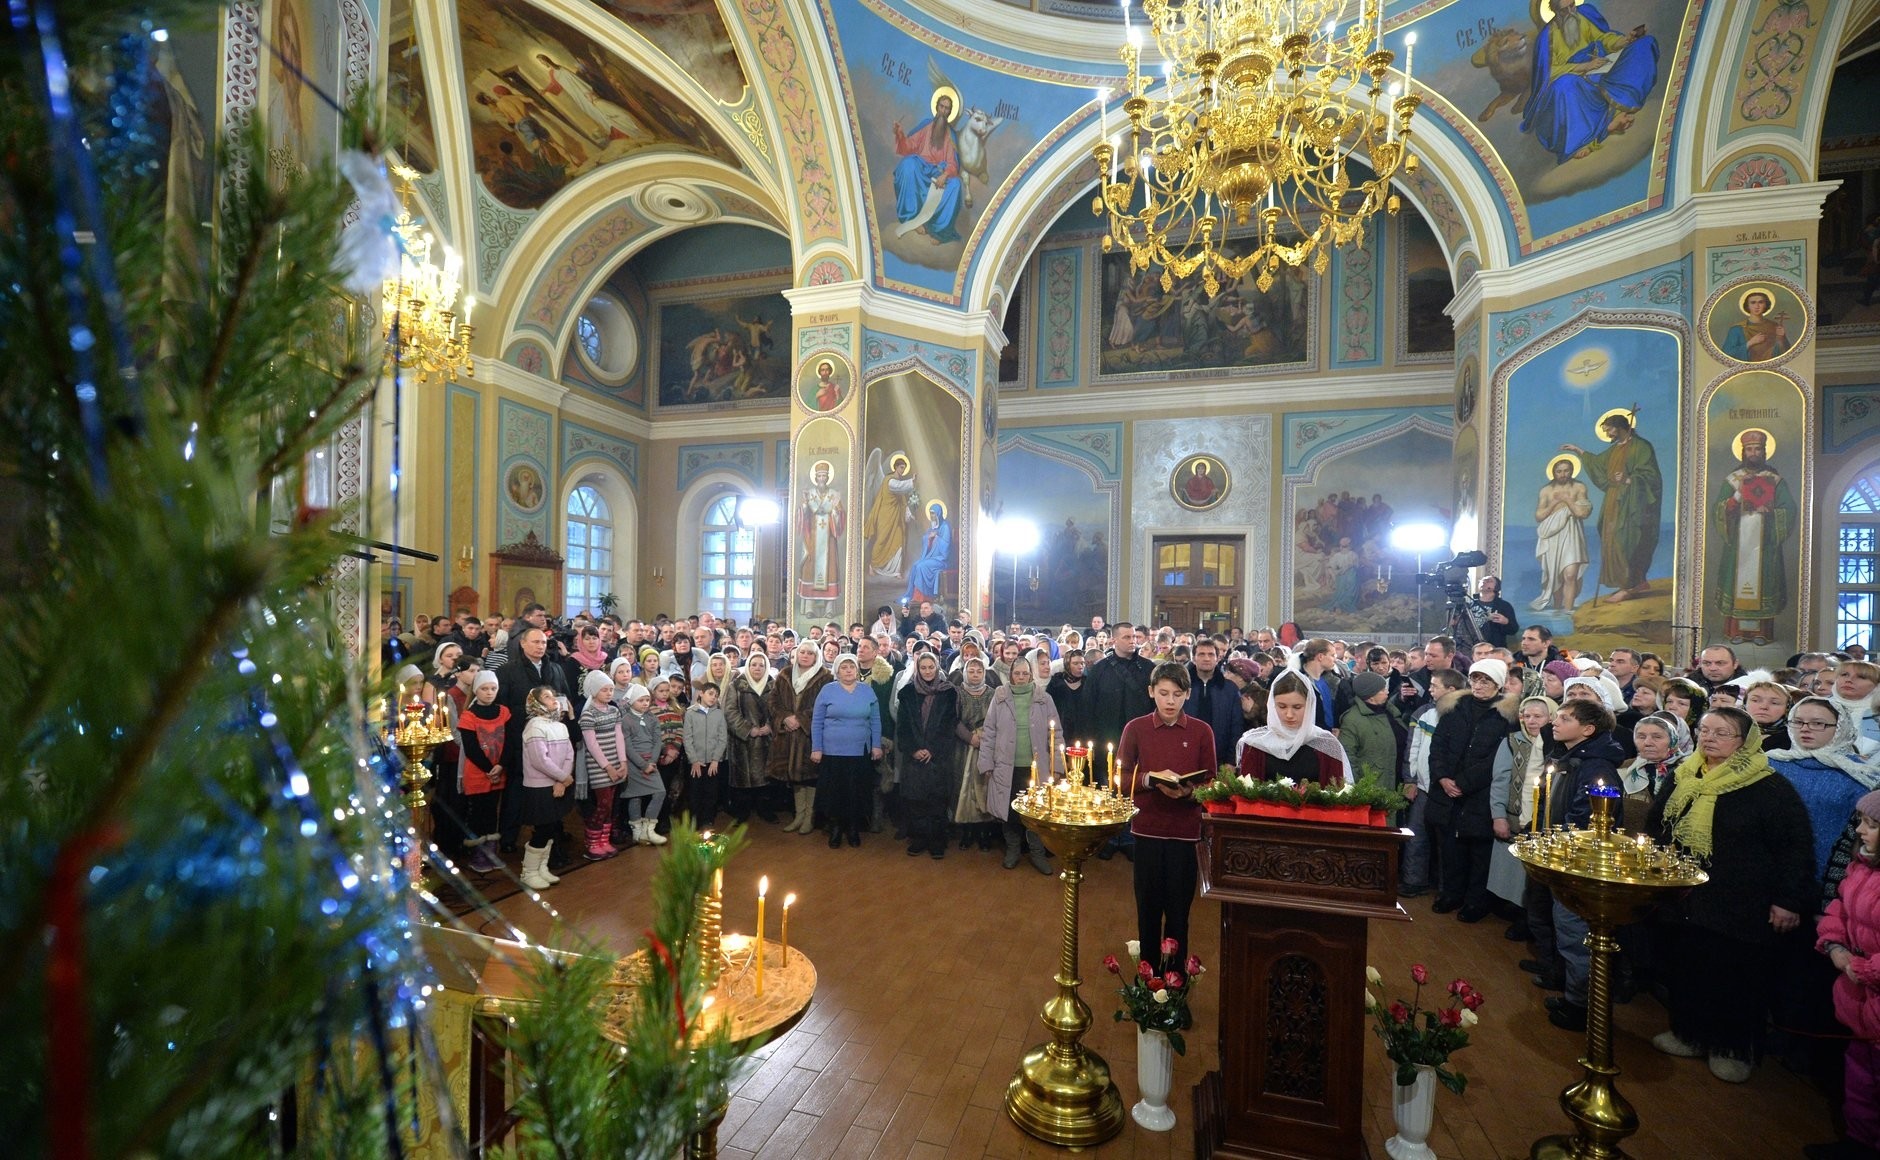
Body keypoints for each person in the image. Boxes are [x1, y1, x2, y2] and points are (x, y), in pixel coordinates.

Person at [1650, 707, 1817, 1083]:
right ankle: (1690, 1034)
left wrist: (1788, 899)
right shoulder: (1684, 775)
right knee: (1688, 966)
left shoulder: (1767, 786)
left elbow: (1795, 847)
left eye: (1722, 733)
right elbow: (1659, 825)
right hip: (1686, 895)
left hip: (1741, 900)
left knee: (1735, 976)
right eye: (1704, 730)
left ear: (1744, 742)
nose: (1709, 738)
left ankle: (1732, 1047)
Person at [1539, 698, 1627, 1032]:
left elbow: (1588, 821)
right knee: (1567, 931)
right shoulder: (1573, 757)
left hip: (1581, 863)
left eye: (1564, 718)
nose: (1555, 722)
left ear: (1587, 730)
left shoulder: (1596, 768)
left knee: (1577, 935)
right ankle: (1573, 995)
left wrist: (1557, 839)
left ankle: (1584, 1007)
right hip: (1567, 854)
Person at [1121, 662, 1217, 965]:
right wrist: (1150, 779)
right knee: (1147, 912)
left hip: (1185, 833)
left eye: (1177, 694)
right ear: (1151, 692)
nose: (1170, 701)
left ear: (1187, 695)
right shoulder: (1136, 728)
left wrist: (1189, 792)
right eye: (1163, 693)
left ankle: (1174, 982)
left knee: (1178, 915)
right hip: (1147, 831)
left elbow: (1212, 783)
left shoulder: (1202, 731)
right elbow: (1120, 778)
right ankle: (1148, 981)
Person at [1811, 791, 1880, 1160]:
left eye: (1871, 825)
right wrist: (1835, 944)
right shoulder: (1863, 865)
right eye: (1862, 823)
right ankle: (1859, 1142)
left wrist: (1868, 968)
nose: (1860, 831)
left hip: (1870, 982)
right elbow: (1842, 907)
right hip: (1859, 994)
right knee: (1861, 1075)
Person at [1428, 659, 1518, 923]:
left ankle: (1475, 901)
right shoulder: (1455, 707)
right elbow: (1439, 746)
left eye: (1486, 680)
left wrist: (1465, 782)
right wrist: (1443, 777)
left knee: (1479, 851)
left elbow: (1497, 758)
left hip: (1481, 793)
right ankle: (1452, 894)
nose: (1479, 685)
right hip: (1448, 790)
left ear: (1498, 684)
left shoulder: (1505, 715)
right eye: (1475, 679)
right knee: (1451, 847)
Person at [1519, 0, 1660, 163]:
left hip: (1603, 68)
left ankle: (1618, 110)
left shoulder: (1584, 14)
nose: (1572, 11)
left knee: (1645, 44)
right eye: (1565, 10)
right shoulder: (1547, 37)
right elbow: (1547, 72)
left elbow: (1603, 38)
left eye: (1572, 5)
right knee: (1564, 85)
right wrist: (1583, 66)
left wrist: (1626, 40)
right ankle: (1582, 140)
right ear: (1555, 11)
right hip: (1578, 83)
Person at [1562, 410, 1663, 604]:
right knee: (1611, 538)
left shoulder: (1642, 447)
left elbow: (1652, 477)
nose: (1608, 434)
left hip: (1633, 504)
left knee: (1628, 540)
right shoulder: (1615, 448)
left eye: (1610, 430)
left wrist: (1628, 480)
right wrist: (1579, 451)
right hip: (1613, 501)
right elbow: (1598, 463)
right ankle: (1629, 584)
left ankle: (1632, 584)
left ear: (1619, 427)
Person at [1710, 429, 1798, 646]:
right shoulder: (1732, 480)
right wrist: (1737, 496)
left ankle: (1762, 633)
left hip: (1765, 545)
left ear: (1764, 451)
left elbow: (1789, 509)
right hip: (1739, 546)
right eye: (1749, 449)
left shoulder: (1775, 480)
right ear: (1743, 452)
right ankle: (1735, 632)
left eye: (1757, 448)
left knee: (1764, 583)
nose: (1753, 452)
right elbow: (1719, 510)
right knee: (1736, 581)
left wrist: (1773, 513)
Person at [980, 655, 1062, 874]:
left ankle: (1037, 853)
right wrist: (986, 762)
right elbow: (989, 732)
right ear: (1011, 675)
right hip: (1007, 766)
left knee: (1035, 813)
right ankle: (1013, 850)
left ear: (1031, 674)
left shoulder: (1044, 698)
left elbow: (1056, 735)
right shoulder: (1000, 697)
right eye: (1017, 673)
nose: (1021, 677)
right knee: (1010, 811)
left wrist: (1059, 765)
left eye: (1025, 673)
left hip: (1036, 767)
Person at [1491, 694, 1557, 946]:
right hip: (1516, 814)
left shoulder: (1556, 745)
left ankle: (1534, 923)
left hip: (1545, 820)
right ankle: (1521, 918)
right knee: (1516, 875)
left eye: (1538, 716)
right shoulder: (1512, 742)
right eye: (1526, 716)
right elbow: (1500, 781)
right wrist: (1498, 815)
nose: (1531, 721)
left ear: (1551, 717)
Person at [1403, 668, 1465, 898]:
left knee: (1446, 843)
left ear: (1451, 689)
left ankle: (1446, 888)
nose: (1429, 689)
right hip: (1422, 787)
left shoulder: (1464, 715)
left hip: (1449, 790)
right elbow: (1413, 748)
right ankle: (1414, 880)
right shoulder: (1424, 713)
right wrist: (1409, 780)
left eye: (1434, 686)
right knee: (1415, 836)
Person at [811, 656, 884, 850]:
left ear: (857, 669)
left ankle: (853, 828)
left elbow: (876, 720)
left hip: (859, 750)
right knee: (835, 791)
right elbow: (817, 721)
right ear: (837, 670)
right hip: (832, 751)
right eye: (844, 667)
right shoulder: (828, 690)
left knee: (856, 790)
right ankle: (835, 828)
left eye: (852, 666)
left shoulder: (867, 691)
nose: (849, 670)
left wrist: (876, 745)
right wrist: (816, 748)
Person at [1236, 670, 1354, 786]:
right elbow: (1247, 795)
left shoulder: (1327, 744)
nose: (1289, 715)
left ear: (1309, 705)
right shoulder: (1255, 743)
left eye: (1297, 707)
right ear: (1272, 705)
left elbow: (1337, 794)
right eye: (1282, 707)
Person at [896, 652, 960, 858]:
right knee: (916, 802)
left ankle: (937, 841)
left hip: (938, 757)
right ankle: (920, 838)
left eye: (930, 667)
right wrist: (914, 749)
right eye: (923, 668)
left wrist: (932, 750)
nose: (927, 671)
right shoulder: (907, 693)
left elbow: (949, 726)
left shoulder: (949, 693)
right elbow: (903, 727)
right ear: (917, 669)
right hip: (914, 757)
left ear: (937, 667)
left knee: (938, 802)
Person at [769, 642, 832, 835]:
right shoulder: (785, 674)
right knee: (794, 776)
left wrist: (800, 719)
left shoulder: (826, 677)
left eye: (810, 653)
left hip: (810, 734)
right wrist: (786, 718)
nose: (805, 656)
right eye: (802, 652)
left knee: (810, 776)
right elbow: (773, 701)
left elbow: (825, 705)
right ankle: (798, 815)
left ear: (816, 656)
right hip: (788, 734)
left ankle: (809, 817)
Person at [517, 686, 575, 890]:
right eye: (547, 697)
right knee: (542, 829)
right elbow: (539, 760)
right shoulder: (534, 726)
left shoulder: (560, 726)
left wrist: (562, 780)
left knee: (551, 827)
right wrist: (562, 777)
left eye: (553, 696)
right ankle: (529, 872)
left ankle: (541, 868)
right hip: (539, 786)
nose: (553, 700)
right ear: (536, 703)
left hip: (558, 784)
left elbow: (569, 753)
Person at [455, 671, 511, 874]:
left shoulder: (503, 711)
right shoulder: (469, 715)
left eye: (493, 689)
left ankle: (491, 852)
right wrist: (489, 769)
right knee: (479, 813)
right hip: (479, 772)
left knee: (492, 813)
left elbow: (509, 742)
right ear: (476, 690)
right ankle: (478, 855)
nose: (489, 693)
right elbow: (471, 748)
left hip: (499, 771)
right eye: (484, 689)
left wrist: (501, 765)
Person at [892, 90, 964, 243]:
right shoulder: (926, 126)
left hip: (939, 173)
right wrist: (899, 134)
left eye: (947, 109)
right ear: (937, 107)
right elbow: (909, 146)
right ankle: (911, 217)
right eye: (941, 107)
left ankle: (939, 230)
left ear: (950, 112)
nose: (943, 111)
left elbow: (953, 163)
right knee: (908, 164)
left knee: (956, 184)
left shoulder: (950, 136)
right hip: (921, 168)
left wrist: (945, 175)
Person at [576, 669, 628, 861]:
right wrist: (608, 767)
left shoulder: (614, 711)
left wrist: (623, 763)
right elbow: (592, 745)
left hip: (616, 763)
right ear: (594, 691)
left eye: (611, 689)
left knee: (611, 804)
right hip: (600, 767)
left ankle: (604, 841)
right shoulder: (588, 714)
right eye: (604, 690)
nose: (609, 693)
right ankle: (592, 843)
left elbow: (619, 737)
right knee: (602, 804)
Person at [1531, 455, 1592, 611]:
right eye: (1559, 471)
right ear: (1554, 472)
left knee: (1570, 575)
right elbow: (1539, 516)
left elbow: (1582, 513)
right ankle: (1557, 610)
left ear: (1572, 471)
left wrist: (1567, 500)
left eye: (1566, 471)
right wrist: (1554, 503)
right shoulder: (1546, 490)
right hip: (1551, 535)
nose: (1563, 474)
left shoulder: (1579, 488)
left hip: (1572, 533)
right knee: (1555, 577)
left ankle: (1568, 611)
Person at [724, 653, 777, 825]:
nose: (757, 668)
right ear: (747, 666)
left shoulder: (774, 686)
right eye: (753, 664)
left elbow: (779, 709)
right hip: (742, 742)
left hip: (767, 740)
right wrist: (748, 729)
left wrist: (770, 726)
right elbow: (730, 711)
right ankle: (742, 812)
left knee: (766, 778)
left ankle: (765, 810)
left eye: (761, 665)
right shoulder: (736, 685)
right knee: (742, 779)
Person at [952, 656, 998, 850]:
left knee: (985, 787)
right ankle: (967, 831)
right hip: (964, 747)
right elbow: (953, 719)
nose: (975, 674)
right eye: (971, 671)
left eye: (979, 671)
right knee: (965, 788)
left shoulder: (994, 693)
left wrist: (985, 738)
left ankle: (984, 832)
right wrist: (970, 738)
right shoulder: (957, 693)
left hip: (988, 746)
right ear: (965, 672)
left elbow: (998, 719)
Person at [616, 684, 667, 847]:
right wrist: (642, 764)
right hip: (634, 763)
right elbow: (627, 746)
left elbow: (658, 739)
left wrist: (652, 761)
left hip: (650, 762)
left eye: (647, 700)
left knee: (660, 791)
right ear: (631, 702)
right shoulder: (626, 720)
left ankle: (648, 830)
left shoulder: (652, 718)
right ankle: (637, 832)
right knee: (635, 796)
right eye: (641, 700)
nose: (645, 703)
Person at [1339, 672, 1400, 786]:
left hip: (1395, 782)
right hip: (1373, 786)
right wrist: (1358, 788)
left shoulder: (1390, 711)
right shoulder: (1352, 720)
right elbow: (1349, 757)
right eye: (1382, 690)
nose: (1387, 692)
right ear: (1371, 696)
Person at [682, 682, 729, 829]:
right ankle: (695, 820)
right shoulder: (690, 713)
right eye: (710, 693)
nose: (713, 698)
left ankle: (708, 820)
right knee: (695, 792)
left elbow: (722, 738)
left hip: (713, 762)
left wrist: (716, 760)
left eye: (716, 696)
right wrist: (694, 760)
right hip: (696, 762)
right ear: (701, 693)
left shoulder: (719, 714)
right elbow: (687, 738)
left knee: (711, 793)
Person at [1722, 289, 1792, 363]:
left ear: (1766, 305)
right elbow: (1727, 354)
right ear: (1747, 305)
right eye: (1753, 303)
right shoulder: (1737, 329)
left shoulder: (1774, 326)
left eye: (1761, 302)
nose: (1757, 306)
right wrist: (1750, 343)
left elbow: (1786, 354)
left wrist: (1781, 338)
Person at [1475, 576, 1520, 648]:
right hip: (1470, 646)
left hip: (1493, 647)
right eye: (1482, 580)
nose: (1484, 582)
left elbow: (1514, 629)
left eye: (1489, 581)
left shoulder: (1504, 605)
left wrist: (1505, 622)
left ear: (1496, 587)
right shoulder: (1469, 604)